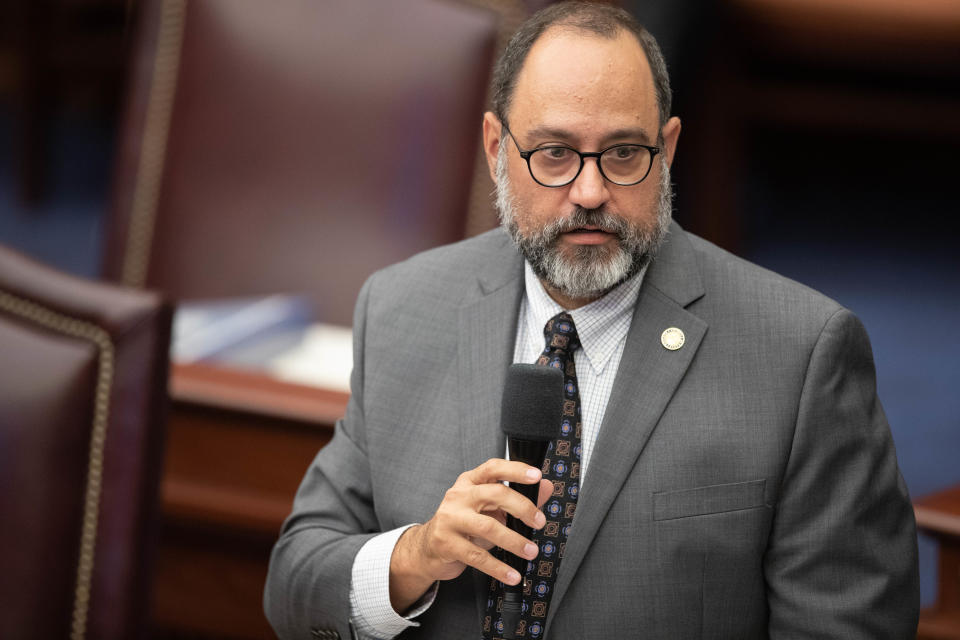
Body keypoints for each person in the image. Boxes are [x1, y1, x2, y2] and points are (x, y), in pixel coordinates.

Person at [264, 3, 919, 639]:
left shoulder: (801, 355)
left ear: (667, 149)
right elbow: (295, 587)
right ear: (497, 146)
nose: (588, 192)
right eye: (553, 153)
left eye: (624, 154)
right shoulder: (402, 307)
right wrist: (414, 556)